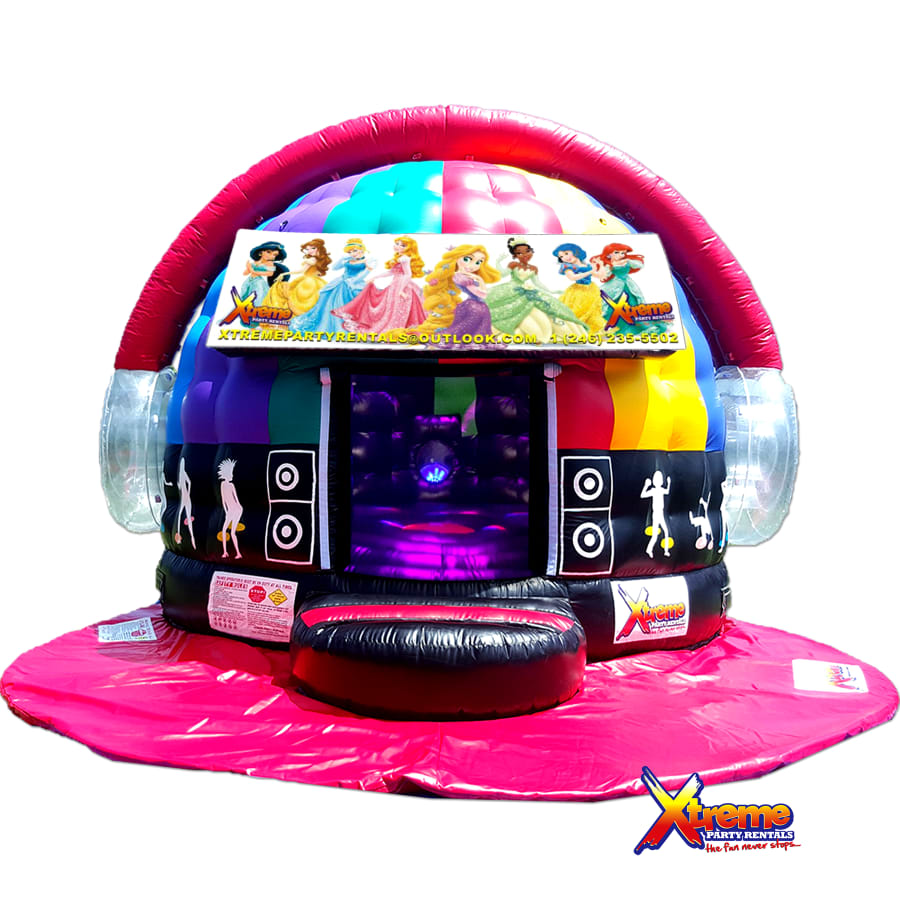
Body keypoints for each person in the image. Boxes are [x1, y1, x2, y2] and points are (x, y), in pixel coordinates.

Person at [485, 237, 587, 341]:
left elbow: (537, 283)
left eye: (527, 251)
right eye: (519, 253)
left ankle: (546, 333)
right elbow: (503, 274)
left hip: (528, 290)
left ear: (531, 252)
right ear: (515, 256)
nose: (525, 255)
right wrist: (498, 263)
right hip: (512, 288)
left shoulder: (533, 268)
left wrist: (551, 291)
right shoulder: (513, 264)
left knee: (549, 305)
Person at [332, 236, 426, 333]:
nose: (398, 246)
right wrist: (375, 277)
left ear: (409, 248)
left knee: (398, 307)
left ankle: (396, 328)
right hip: (396, 284)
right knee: (392, 307)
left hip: (402, 285)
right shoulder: (399, 258)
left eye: (403, 245)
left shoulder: (404, 258)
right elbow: (391, 272)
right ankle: (397, 328)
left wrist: (401, 289)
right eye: (397, 244)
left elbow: (408, 274)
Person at [291, 238, 374, 332]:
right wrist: (342, 258)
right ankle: (328, 325)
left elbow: (364, 274)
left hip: (355, 283)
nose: (352, 253)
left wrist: (353, 282)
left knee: (353, 303)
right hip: (341, 282)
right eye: (350, 252)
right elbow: (335, 268)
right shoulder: (349, 260)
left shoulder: (368, 261)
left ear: (362, 250)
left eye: (354, 250)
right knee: (327, 298)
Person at [263, 239, 331, 326]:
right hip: (316, 281)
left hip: (307, 282)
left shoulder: (311, 259)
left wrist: (285, 273)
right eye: (307, 249)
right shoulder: (321, 259)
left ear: (319, 248)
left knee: (297, 299)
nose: (310, 251)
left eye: (313, 248)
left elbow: (300, 271)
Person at [553, 242, 606, 333]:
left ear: (576, 251)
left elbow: (600, 276)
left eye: (566, 253)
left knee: (591, 310)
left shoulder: (587, 266)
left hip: (591, 290)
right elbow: (572, 277)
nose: (565, 257)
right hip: (577, 291)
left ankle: (588, 329)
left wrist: (601, 265)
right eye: (561, 257)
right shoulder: (567, 266)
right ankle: (574, 330)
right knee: (576, 310)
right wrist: (590, 272)